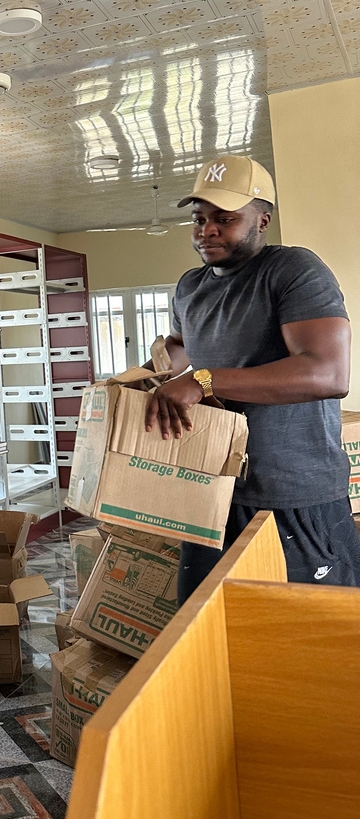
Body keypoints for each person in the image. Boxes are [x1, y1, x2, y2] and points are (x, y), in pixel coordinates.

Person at [140, 155, 358, 602]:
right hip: (212, 490)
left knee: (303, 636)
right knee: (205, 627)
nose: (207, 230)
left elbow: (327, 373)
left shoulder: (293, 270)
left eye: (225, 219)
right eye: (199, 219)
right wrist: (136, 381)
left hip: (292, 492)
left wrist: (202, 381)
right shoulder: (190, 287)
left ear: (262, 220)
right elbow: (179, 347)